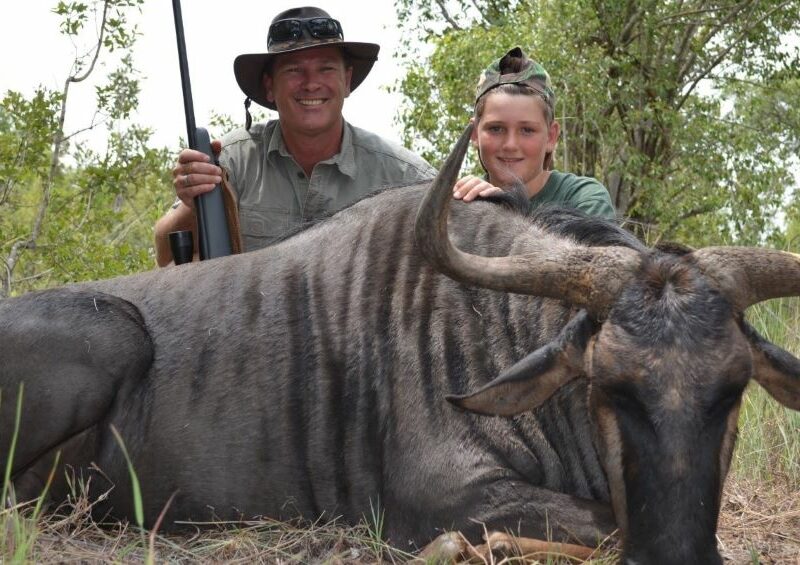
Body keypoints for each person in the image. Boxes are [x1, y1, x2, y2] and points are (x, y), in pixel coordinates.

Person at [154, 6, 435, 266]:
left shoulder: (406, 176)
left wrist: (476, 190)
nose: (311, 83)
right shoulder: (229, 161)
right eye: (293, 70)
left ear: (346, 81)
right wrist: (194, 202)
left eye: (325, 68)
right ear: (269, 87)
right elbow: (166, 258)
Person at [452, 47, 615, 220]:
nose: (510, 145)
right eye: (496, 129)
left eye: (527, 130)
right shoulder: (458, 204)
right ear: (474, 133)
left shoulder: (585, 198)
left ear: (551, 137)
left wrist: (503, 211)